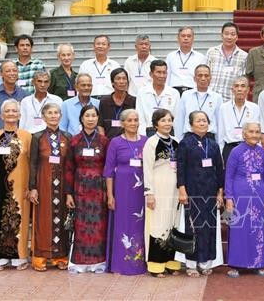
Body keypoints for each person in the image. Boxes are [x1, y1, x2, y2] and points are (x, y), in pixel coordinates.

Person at [0, 99, 32, 271]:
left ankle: (20, 257)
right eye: (8, 111)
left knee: (20, 219)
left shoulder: (27, 136)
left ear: (19, 114)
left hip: (20, 186)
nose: (11, 114)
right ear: (1, 115)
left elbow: (31, 162)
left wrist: (30, 187)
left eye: (14, 111)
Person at [177, 111, 224, 277]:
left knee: (208, 227)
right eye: (198, 121)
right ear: (191, 125)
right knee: (192, 226)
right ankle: (190, 264)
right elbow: (180, 168)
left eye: (204, 120)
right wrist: (182, 190)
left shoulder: (213, 144)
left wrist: (220, 191)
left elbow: (219, 168)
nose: (202, 123)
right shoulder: (185, 143)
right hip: (192, 191)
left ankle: (205, 263)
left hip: (210, 192)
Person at [224, 122, 264, 278]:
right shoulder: (235, 152)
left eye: (257, 132)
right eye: (251, 131)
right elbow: (229, 177)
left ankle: (258, 263)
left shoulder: (263, 152)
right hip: (240, 194)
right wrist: (229, 198)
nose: (254, 135)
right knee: (239, 228)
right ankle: (236, 265)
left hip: (259, 195)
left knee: (258, 229)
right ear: (244, 134)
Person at [28, 103, 73, 271]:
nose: (53, 116)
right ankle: (40, 257)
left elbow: (70, 165)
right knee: (43, 220)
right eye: (50, 113)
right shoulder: (37, 137)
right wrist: (32, 187)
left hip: (62, 187)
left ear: (61, 116)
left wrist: (70, 191)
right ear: (44, 116)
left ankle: (60, 257)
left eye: (56, 113)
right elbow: (32, 163)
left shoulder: (67, 137)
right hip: (43, 184)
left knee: (61, 219)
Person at [65, 104, 109, 273]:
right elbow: (69, 168)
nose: (91, 119)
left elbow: (108, 167)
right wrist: (69, 193)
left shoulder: (104, 141)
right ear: (81, 119)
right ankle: (79, 262)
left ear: (98, 118)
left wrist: (108, 191)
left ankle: (98, 263)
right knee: (81, 225)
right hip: (80, 188)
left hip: (99, 189)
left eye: (93, 116)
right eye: (87, 116)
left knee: (99, 225)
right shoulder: (74, 140)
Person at [104, 109, 148, 275]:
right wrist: (110, 195)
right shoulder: (115, 142)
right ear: (122, 123)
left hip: (141, 191)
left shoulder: (146, 141)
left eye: (135, 120)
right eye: (129, 120)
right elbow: (108, 171)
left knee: (140, 223)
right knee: (122, 224)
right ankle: (120, 264)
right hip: (122, 190)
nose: (133, 123)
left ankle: (138, 262)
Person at [142, 109, 181, 277]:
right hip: (158, 189)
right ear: (156, 123)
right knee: (158, 225)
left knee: (173, 223)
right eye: (163, 120)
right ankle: (156, 265)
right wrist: (149, 192)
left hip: (175, 190)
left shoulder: (176, 141)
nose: (167, 123)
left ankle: (172, 263)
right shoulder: (151, 142)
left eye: (169, 120)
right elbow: (147, 169)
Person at [216, 76, 260, 163]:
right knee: (230, 176)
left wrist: (257, 152)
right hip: (229, 148)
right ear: (232, 90)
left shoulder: (254, 107)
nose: (239, 89)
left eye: (243, 86)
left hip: (249, 147)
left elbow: (256, 132)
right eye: (236, 86)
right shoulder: (224, 108)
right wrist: (220, 154)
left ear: (248, 90)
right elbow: (220, 133)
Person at [175, 65, 223, 140]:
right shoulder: (186, 95)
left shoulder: (217, 97)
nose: (203, 78)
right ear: (194, 78)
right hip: (190, 136)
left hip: (209, 137)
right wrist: (179, 140)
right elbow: (179, 120)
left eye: (206, 76)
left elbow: (220, 123)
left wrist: (219, 144)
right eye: (200, 75)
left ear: (210, 78)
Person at [136, 60, 180, 136]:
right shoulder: (142, 92)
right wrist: (143, 137)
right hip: (150, 130)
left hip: (168, 131)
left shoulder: (174, 93)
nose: (162, 76)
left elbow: (177, 118)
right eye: (158, 72)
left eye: (164, 72)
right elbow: (140, 117)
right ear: (151, 74)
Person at [206, 22, 248, 102]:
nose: (229, 37)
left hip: (231, 99)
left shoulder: (244, 56)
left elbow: (243, 80)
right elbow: (205, 74)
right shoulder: (211, 52)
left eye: (232, 34)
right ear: (221, 35)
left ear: (237, 37)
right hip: (211, 98)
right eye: (226, 34)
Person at [166, 26, 206, 95]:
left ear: (193, 39)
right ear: (178, 38)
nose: (186, 38)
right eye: (183, 36)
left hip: (192, 92)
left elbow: (202, 77)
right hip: (173, 92)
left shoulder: (200, 57)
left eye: (189, 36)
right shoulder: (170, 56)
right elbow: (167, 76)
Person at [99, 68, 137, 139]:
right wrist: (103, 141)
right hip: (108, 141)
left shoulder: (133, 101)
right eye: (118, 79)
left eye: (124, 79)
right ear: (112, 82)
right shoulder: (104, 101)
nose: (121, 81)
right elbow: (100, 125)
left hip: (128, 141)